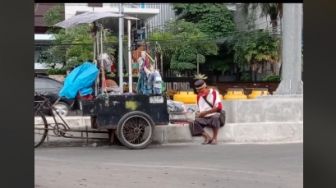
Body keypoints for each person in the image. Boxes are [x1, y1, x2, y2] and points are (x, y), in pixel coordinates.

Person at [193, 79, 223, 145]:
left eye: (201, 90)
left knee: (215, 118)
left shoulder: (214, 92)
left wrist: (205, 113)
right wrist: (199, 114)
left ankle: (215, 138)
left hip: (213, 115)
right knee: (194, 122)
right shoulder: (198, 96)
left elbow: (219, 107)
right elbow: (200, 109)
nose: (199, 92)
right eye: (198, 91)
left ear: (205, 87)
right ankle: (207, 137)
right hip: (204, 117)